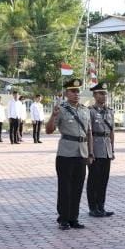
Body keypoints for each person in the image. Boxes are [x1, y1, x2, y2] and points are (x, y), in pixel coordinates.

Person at [45, 78, 92, 230]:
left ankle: (74, 218)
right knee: (65, 187)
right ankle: (63, 218)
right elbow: (49, 130)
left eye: (78, 91)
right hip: (66, 153)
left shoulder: (85, 110)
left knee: (78, 187)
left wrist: (90, 152)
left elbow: (89, 133)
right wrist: (53, 115)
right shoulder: (62, 109)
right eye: (73, 91)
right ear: (66, 93)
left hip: (81, 152)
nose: (76, 94)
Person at [86, 83, 115, 218]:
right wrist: (90, 152)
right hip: (95, 149)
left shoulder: (109, 111)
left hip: (106, 149)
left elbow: (111, 132)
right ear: (95, 95)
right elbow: (88, 133)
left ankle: (101, 207)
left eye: (105, 94)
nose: (104, 96)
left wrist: (112, 149)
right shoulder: (90, 111)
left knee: (104, 180)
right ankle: (93, 208)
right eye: (101, 93)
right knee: (94, 180)